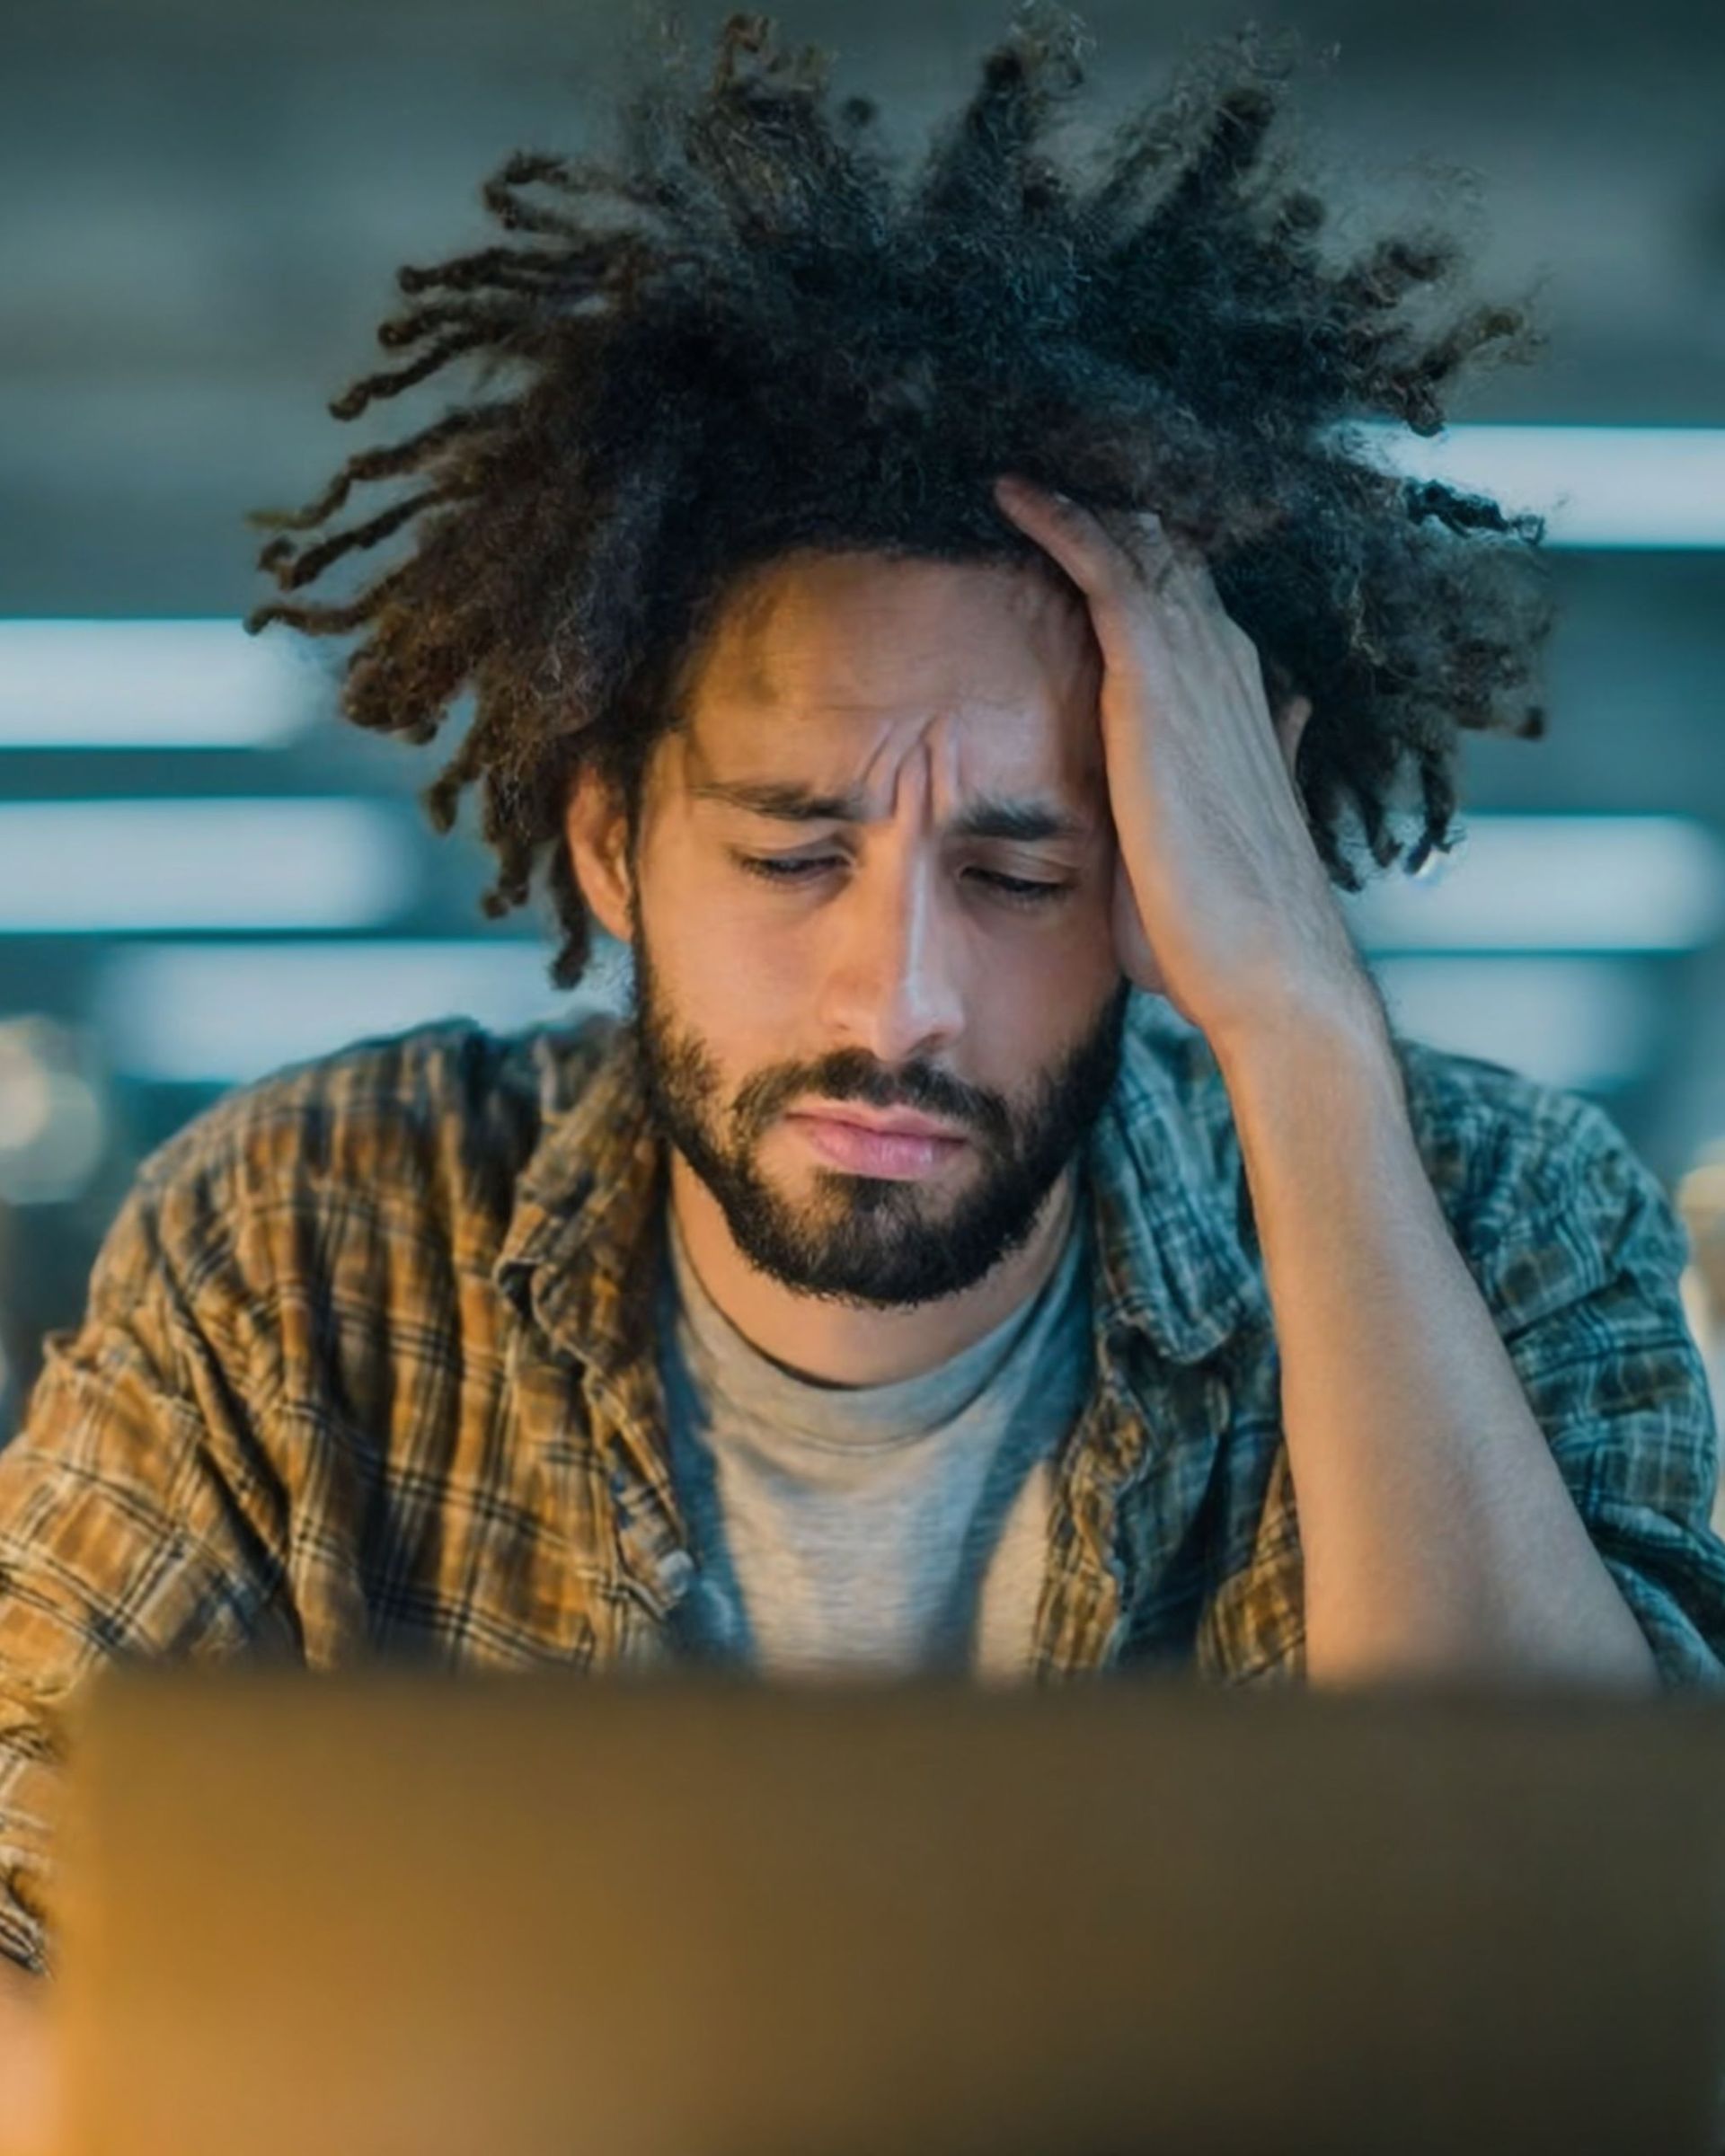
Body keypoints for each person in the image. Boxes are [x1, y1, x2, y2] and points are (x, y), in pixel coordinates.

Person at [4, 1, 1724, 2127]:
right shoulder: (308, 1243)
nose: (894, 998)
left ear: (1173, 887)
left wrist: (1294, 1022)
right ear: (611, 843)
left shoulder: (1498, 1214)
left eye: (1024, 871)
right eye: (794, 849)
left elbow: (1561, 1984)